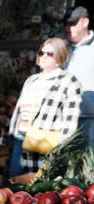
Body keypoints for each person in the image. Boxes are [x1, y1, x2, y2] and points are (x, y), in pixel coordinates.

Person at [8, 38, 82, 176]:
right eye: (41, 53)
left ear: (60, 56)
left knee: (38, 191)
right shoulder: (32, 80)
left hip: (44, 145)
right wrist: (12, 134)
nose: (43, 57)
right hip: (21, 141)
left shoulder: (69, 82)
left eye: (50, 54)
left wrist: (59, 151)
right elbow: (18, 112)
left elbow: (70, 122)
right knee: (14, 185)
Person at [63, 6, 94, 146]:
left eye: (72, 23)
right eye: (66, 24)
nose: (68, 28)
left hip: (89, 119)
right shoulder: (60, 48)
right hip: (62, 118)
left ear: (85, 22)